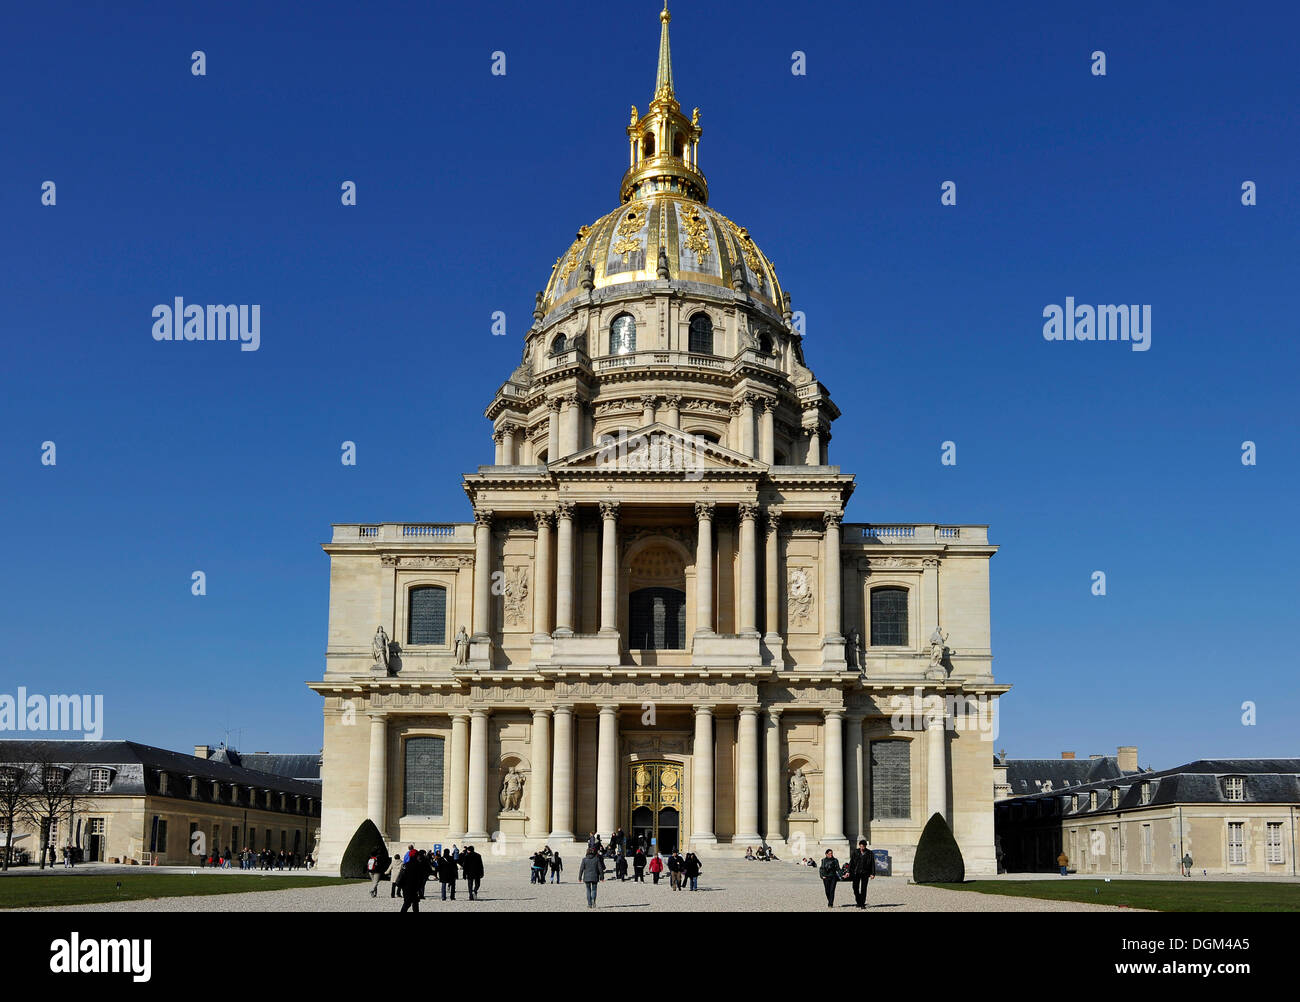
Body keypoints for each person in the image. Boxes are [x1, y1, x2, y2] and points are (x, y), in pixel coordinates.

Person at [848, 840, 876, 908]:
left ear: (865, 846)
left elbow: (872, 864)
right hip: (856, 872)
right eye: (860, 846)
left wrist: (873, 873)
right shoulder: (855, 852)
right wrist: (848, 871)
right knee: (855, 888)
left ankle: (862, 904)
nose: (861, 848)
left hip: (865, 873)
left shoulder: (870, 853)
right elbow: (851, 862)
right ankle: (858, 901)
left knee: (863, 889)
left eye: (863, 846)